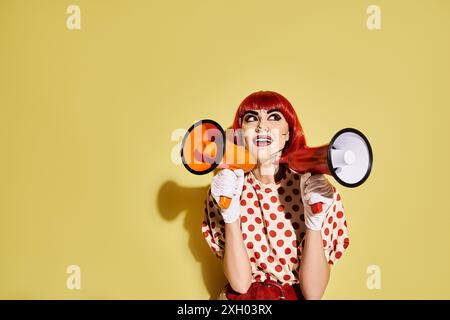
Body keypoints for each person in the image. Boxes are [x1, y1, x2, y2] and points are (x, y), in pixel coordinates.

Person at [202, 91, 349, 300]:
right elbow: (241, 284)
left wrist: (314, 221)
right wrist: (229, 214)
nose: (262, 126)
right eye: (251, 118)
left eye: (274, 117)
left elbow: (314, 293)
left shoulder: (318, 191)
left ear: (288, 133)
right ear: (240, 134)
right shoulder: (224, 189)